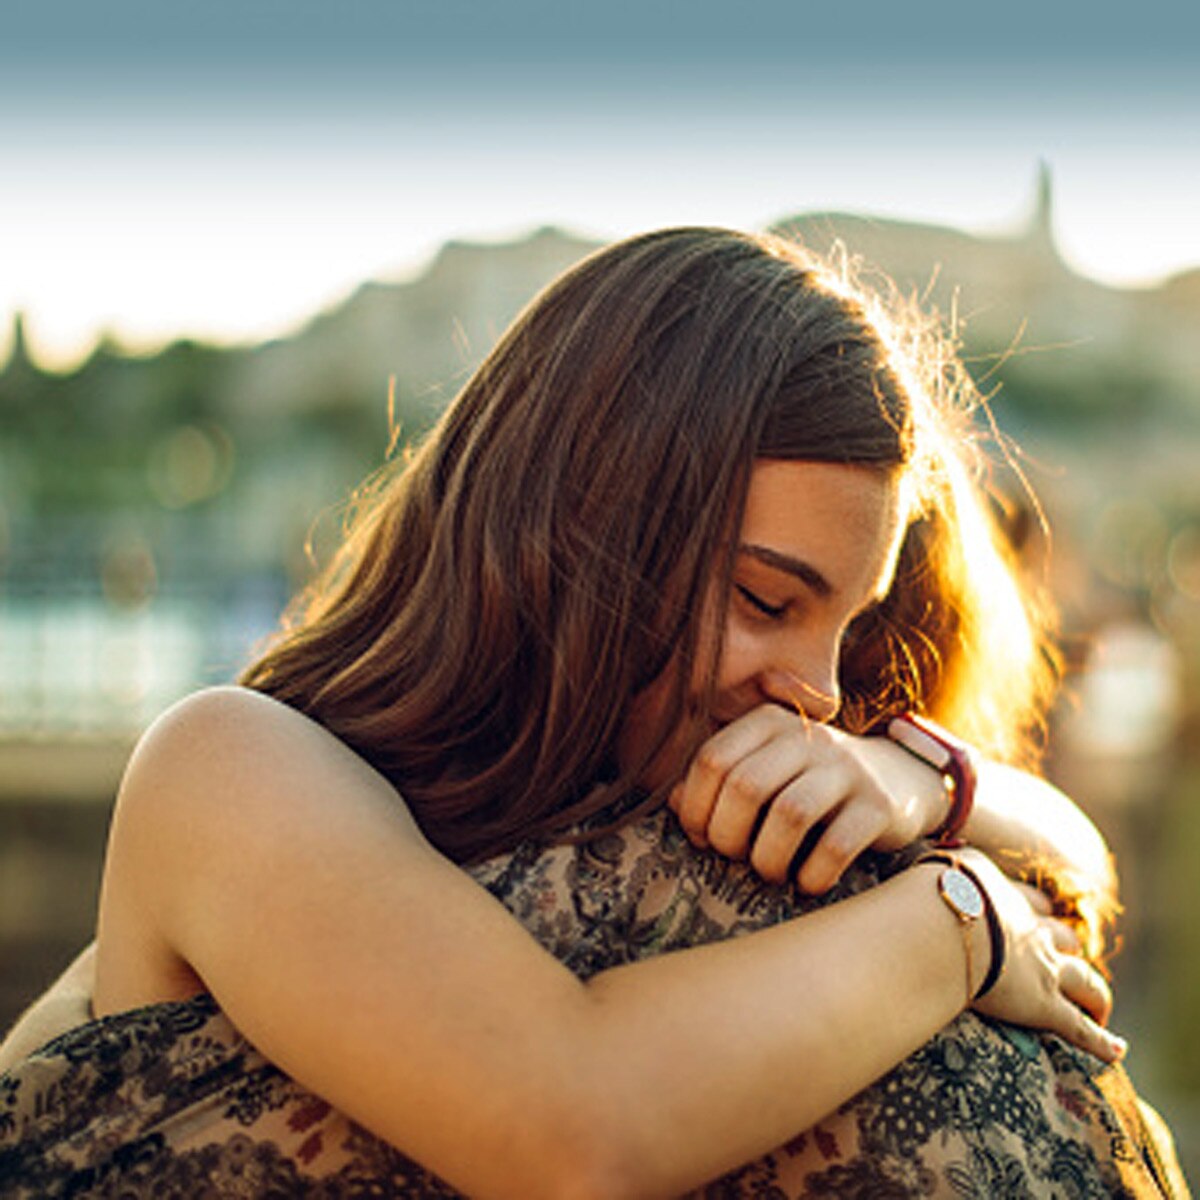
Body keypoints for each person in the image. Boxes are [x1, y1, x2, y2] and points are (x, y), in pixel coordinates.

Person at [0, 227, 1186, 1197]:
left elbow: (1070, 845)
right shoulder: (234, 767)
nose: (820, 686)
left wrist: (922, 776)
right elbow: (572, 1134)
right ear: (586, 527)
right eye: (767, 597)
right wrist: (958, 919)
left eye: (847, 627)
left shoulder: (741, 762)